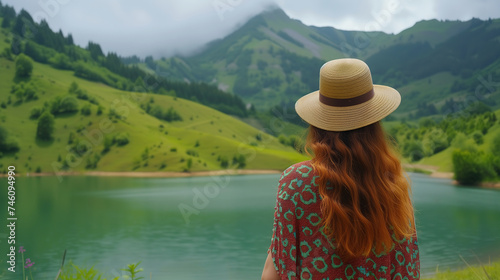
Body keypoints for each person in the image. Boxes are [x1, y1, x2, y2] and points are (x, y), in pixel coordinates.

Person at [261, 58, 420, 280]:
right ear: (374, 123)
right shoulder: (393, 184)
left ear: (318, 121)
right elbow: (407, 270)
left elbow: (277, 266)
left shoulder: (295, 182)